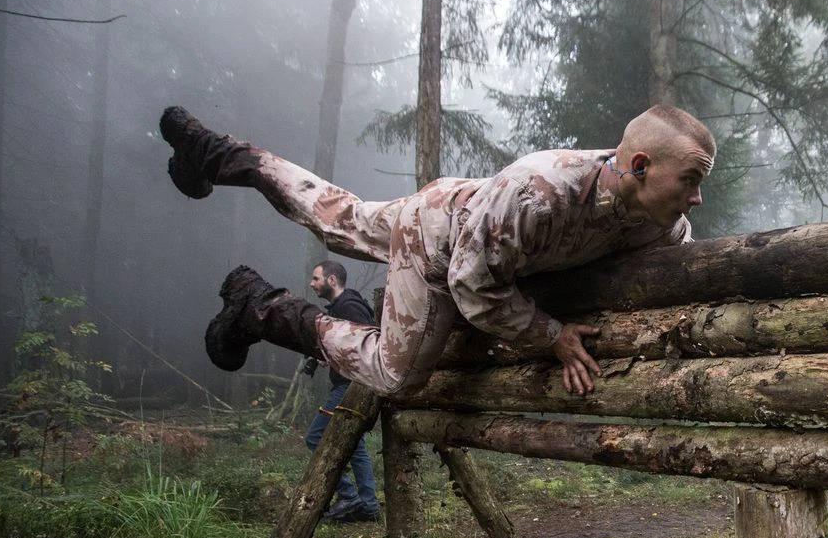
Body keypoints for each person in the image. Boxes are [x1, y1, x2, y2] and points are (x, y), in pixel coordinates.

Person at [157, 104, 712, 398]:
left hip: (461, 208)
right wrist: (552, 335)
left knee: (335, 219)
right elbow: (473, 287)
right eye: (689, 180)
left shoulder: (663, 222)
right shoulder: (540, 193)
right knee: (396, 375)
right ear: (640, 166)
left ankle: (216, 154)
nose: (697, 196)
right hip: (439, 241)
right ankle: (263, 308)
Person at [302, 261, 380, 523]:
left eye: (316, 279)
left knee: (315, 436)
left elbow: (368, 342)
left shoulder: (349, 306)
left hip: (351, 386)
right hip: (350, 383)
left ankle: (349, 496)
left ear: (331, 280)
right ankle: (368, 506)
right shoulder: (340, 307)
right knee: (355, 445)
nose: (312, 284)